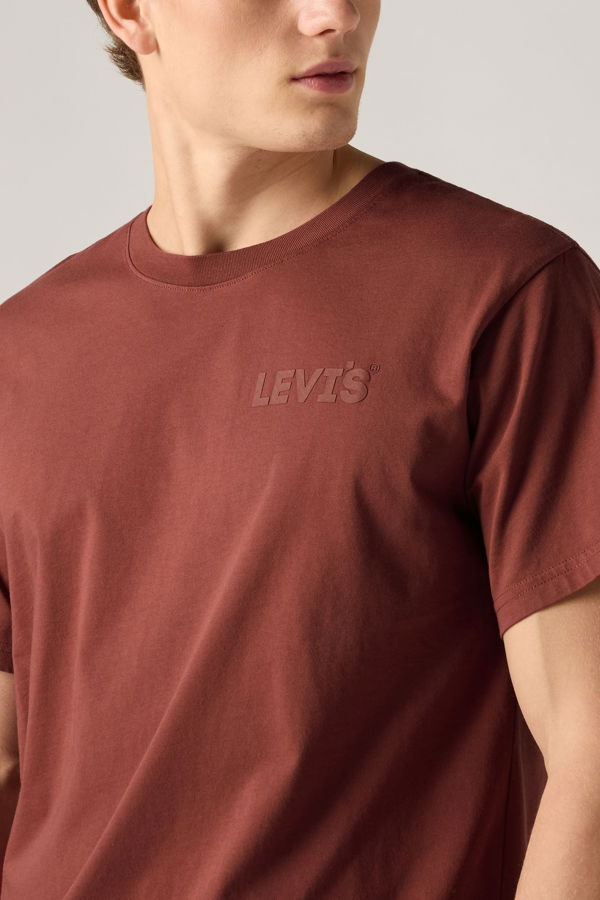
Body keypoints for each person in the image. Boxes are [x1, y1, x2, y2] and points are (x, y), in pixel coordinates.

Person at [1, 1, 599, 898]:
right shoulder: (21, 355)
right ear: (128, 9)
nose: (336, 13)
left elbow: (592, 752)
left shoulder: (505, 294)